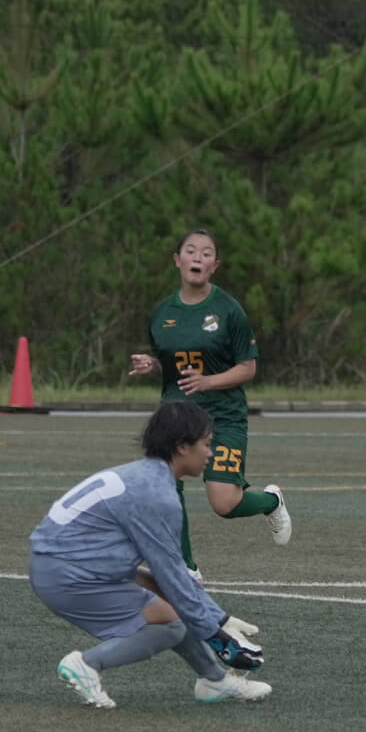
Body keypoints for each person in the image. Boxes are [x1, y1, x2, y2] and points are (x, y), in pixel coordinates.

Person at [29, 401, 271, 707]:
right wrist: (219, 637)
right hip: (68, 574)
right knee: (171, 624)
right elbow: (173, 578)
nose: (210, 453)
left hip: (63, 564)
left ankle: (214, 681)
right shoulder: (156, 495)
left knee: (173, 609)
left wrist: (218, 618)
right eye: (207, 444)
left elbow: (168, 581)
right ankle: (87, 664)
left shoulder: (143, 476)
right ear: (182, 446)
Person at [127, 228, 291, 576]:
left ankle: (271, 501)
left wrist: (208, 382)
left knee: (224, 503)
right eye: (190, 251)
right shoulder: (162, 313)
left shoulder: (229, 310)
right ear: (177, 260)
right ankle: (187, 569)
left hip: (223, 416)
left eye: (206, 253)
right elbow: (173, 367)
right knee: (167, 484)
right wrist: (152, 366)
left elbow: (248, 368)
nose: (197, 257)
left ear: (214, 265)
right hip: (178, 416)